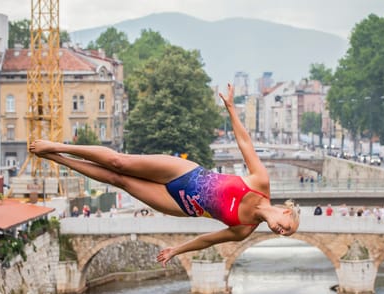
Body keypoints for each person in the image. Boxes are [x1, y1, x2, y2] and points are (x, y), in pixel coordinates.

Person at [30, 83, 299, 266]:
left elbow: (207, 240)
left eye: (283, 234)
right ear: (285, 212)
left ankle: (57, 158)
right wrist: (230, 109)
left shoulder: (243, 231)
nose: (280, 231)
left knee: (118, 180)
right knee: (119, 162)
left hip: (180, 205)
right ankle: (58, 146)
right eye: (285, 227)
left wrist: (176, 250)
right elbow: (245, 144)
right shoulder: (261, 182)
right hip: (187, 173)